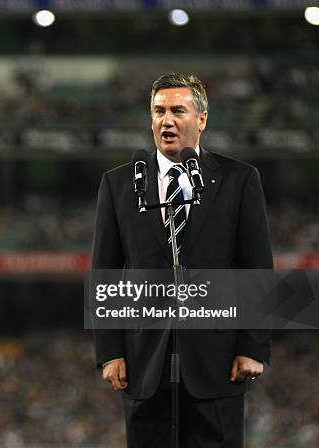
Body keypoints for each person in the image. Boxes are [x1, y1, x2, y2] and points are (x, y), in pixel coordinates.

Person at [91, 73, 272, 448]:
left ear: (202, 119)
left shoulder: (239, 180)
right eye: (158, 111)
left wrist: (253, 346)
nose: (166, 120)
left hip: (218, 364)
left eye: (177, 110)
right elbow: (104, 275)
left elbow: (257, 271)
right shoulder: (119, 184)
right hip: (145, 366)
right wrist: (109, 352)